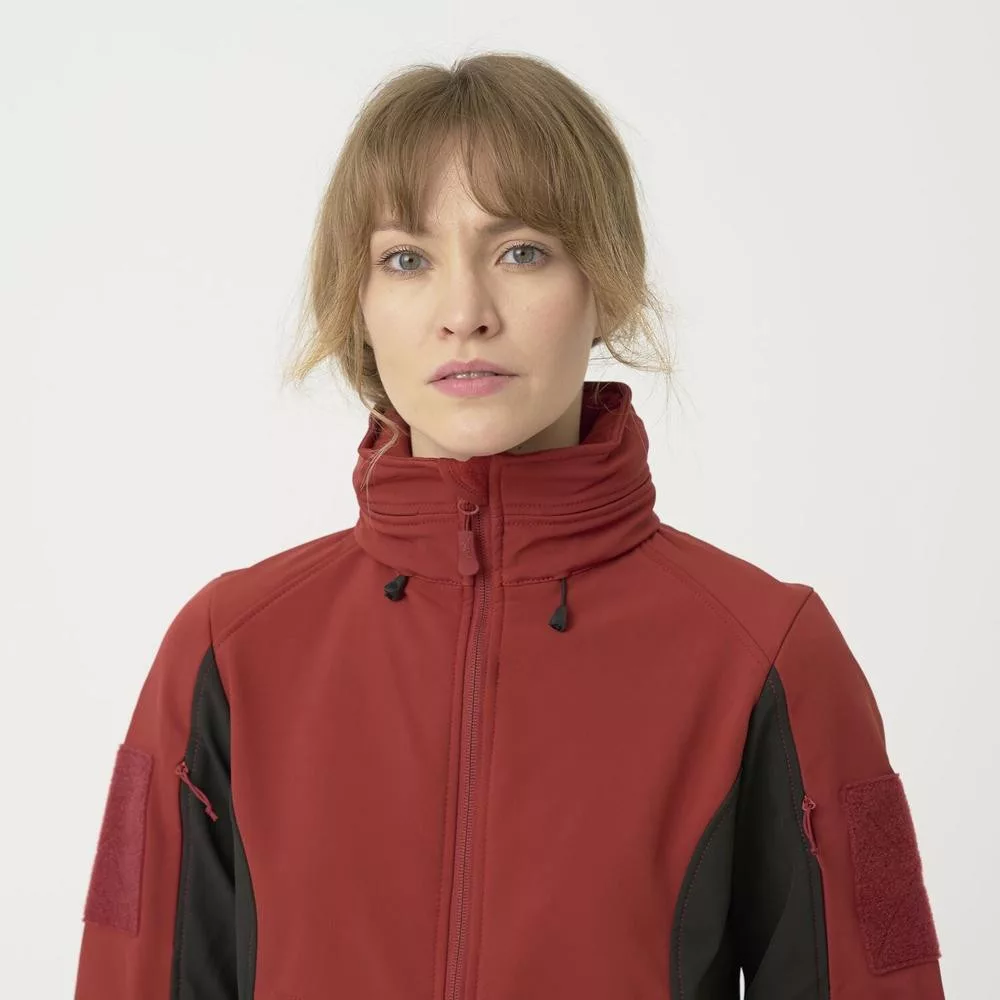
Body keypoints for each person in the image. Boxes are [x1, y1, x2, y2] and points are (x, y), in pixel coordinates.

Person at [73, 51, 947, 999]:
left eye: (521, 251)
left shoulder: (772, 653)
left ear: (605, 283)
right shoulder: (224, 650)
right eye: (406, 259)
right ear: (359, 303)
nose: (464, 313)